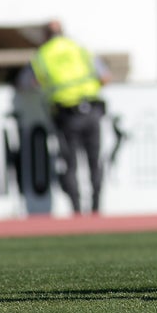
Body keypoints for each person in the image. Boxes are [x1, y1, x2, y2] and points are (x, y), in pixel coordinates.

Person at [21, 20, 111, 215]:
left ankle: (77, 211)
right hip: (92, 110)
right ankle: (96, 209)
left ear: (45, 36)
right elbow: (104, 76)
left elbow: (27, 82)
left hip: (66, 115)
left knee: (69, 164)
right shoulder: (79, 48)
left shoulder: (42, 55)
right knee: (95, 162)